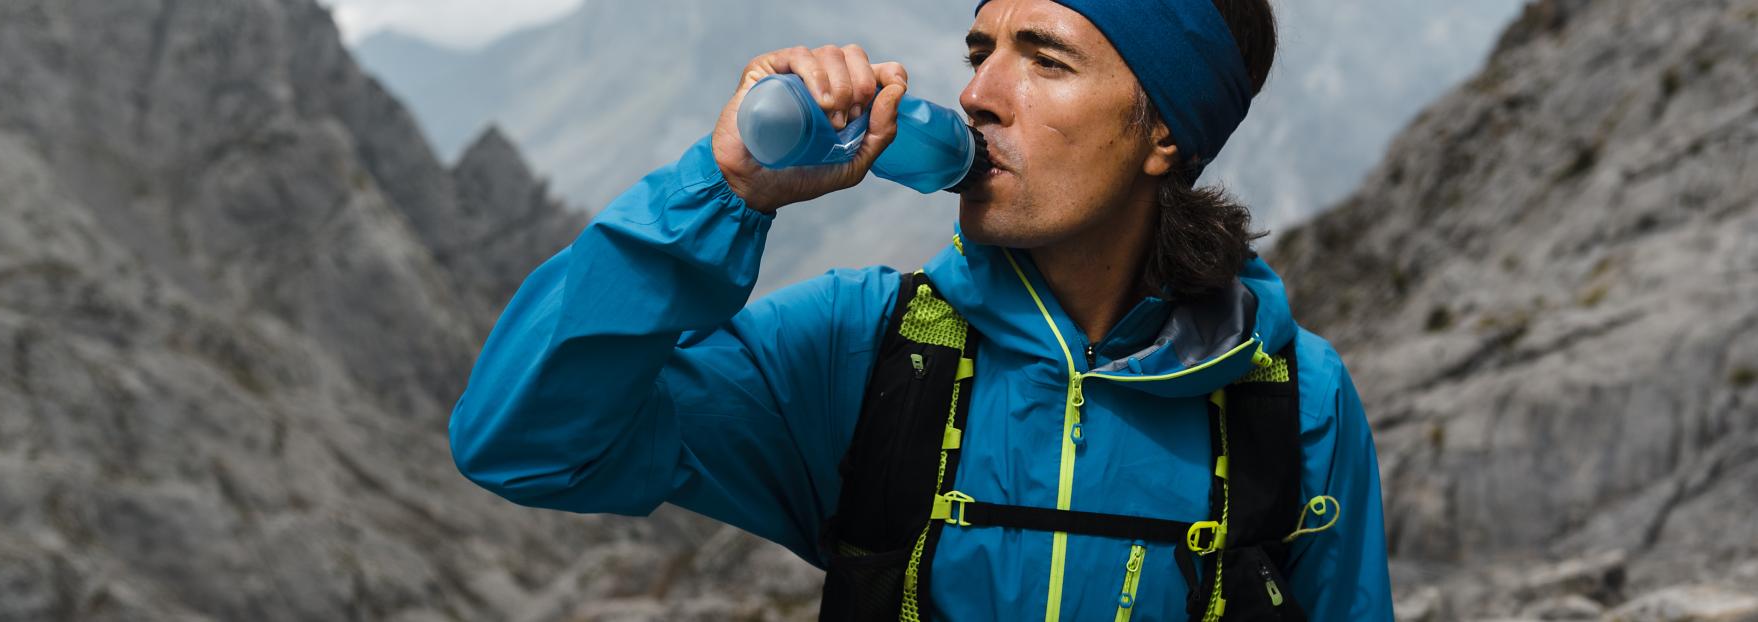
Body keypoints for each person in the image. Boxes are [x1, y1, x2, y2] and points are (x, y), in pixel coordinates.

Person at [448, 0, 1393, 619]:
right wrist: (724, 188)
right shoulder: (862, 348)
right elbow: (525, 445)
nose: (978, 93)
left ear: (1162, 134)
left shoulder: (1291, 397)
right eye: (980, 51)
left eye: (1045, 60)